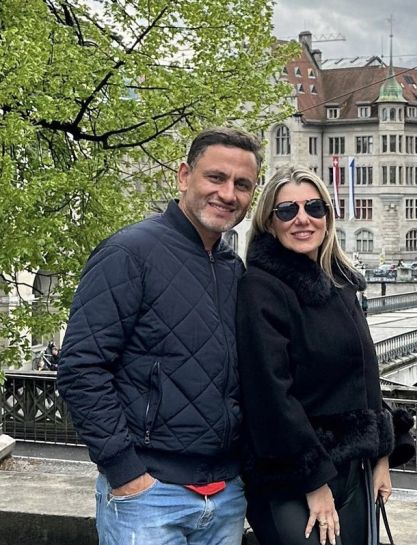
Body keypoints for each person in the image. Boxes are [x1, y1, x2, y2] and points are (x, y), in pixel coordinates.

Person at [57, 127, 260, 544]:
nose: (228, 193)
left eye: (242, 185)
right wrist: (126, 472)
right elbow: (81, 368)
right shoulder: (130, 252)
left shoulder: (232, 268)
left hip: (224, 493)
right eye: (215, 178)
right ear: (184, 176)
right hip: (150, 495)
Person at [236, 166, 411, 545]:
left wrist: (381, 455)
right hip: (291, 474)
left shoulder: (340, 283)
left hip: (352, 469)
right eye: (287, 211)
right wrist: (312, 480)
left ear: (328, 216)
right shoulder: (260, 289)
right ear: (269, 222)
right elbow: (269, 396)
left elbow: (365, 378)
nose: (303, 219)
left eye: (314, 208)